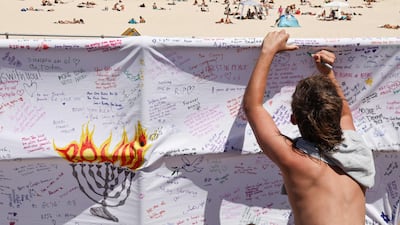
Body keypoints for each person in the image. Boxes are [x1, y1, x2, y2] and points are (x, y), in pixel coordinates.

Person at [243, 30, 375, 225]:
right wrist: (328, 73)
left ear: (293, 119)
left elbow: (252, 107)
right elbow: (345, 114)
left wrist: (268, 51)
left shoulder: (296, 161)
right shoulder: (357, 151)